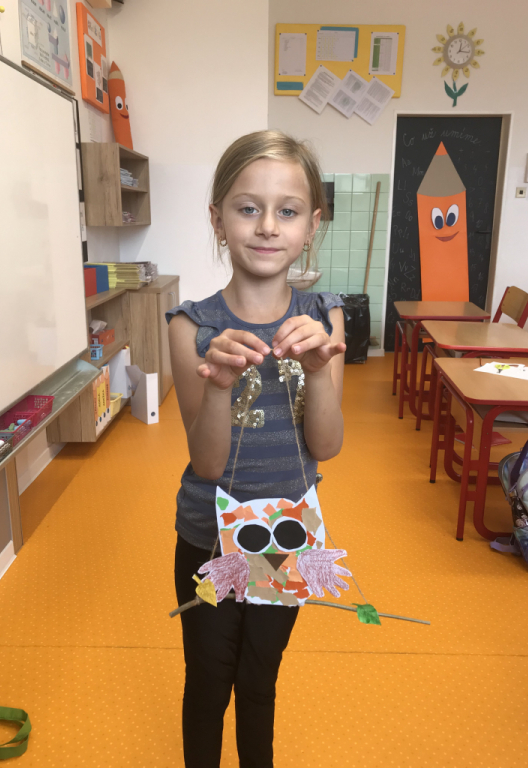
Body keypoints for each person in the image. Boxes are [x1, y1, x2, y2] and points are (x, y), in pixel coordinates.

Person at [166, 130, 347, 768]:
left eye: (287, 211)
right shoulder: (192, 326)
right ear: (218, 220)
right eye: (248, 208)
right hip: (209, 538)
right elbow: (208, 463)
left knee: (259, 676)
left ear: (311, 224)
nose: (268, 226)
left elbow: (327, 444)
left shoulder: (324, 317)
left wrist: (319, 372)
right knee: (208, 679)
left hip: (284, 536)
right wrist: (218, 385)